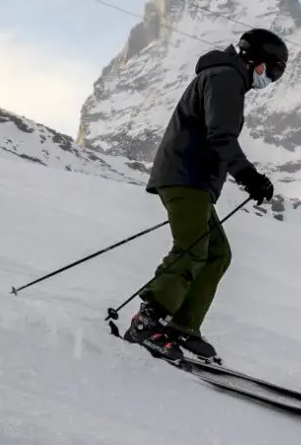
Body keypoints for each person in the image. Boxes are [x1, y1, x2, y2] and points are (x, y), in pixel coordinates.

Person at [123, 28, 288, 362]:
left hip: (192, 178)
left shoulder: (227, 77)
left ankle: (181, 327)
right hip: (186, 176)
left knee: (216, 253)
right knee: (193, 248)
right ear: (255, 61)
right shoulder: (226, 78)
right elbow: (221, 137)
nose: (270, 79)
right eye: (272, 70)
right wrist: (250, 177)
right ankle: (147, 322)